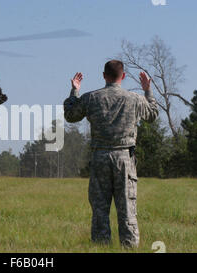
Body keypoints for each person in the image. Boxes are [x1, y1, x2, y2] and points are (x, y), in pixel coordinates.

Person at [63, 60, 158, 248]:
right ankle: (130, 249)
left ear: (104, 76)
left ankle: (101, 248)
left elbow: (70, 115)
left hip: (100, 158)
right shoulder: (135, 99)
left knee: (100, 211)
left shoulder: (91, 98)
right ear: (122, 76)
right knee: (127, 210)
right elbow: (153, 114)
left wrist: (75, 91)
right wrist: (147, 90)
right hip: (124, 159)